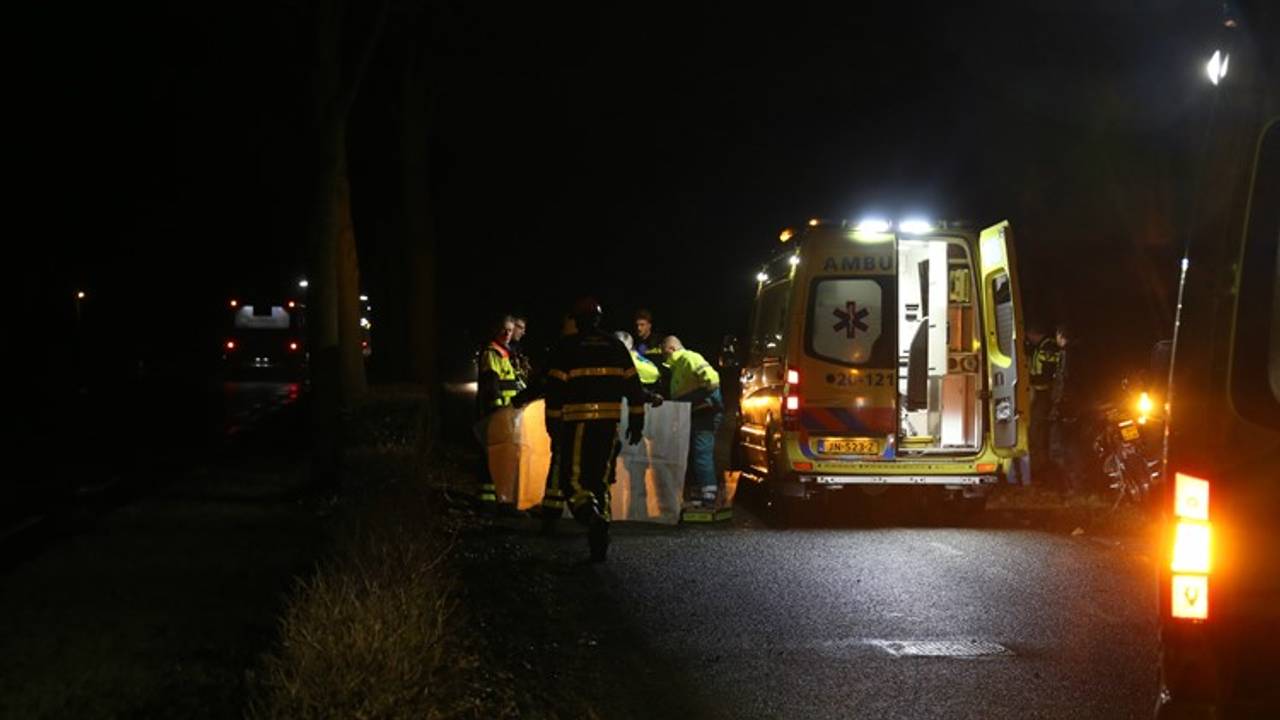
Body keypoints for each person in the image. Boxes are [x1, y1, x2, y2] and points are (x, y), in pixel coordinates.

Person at [544, 298, 650, 561]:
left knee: (573, 480)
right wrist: (637, 422)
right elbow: (634, 388)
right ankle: (600, 534)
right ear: (598, 319)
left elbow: (554, 390)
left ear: (577, 320)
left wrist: (553, 425)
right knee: (599, 481)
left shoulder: (568, 347)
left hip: (577, 424)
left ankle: (591, 518)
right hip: (608, 426)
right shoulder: (616, 346)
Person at [661, 335, 724, 509]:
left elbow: (712, 380)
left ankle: (709, 494)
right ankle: (700, 492)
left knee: (701, 451)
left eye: (664, 351)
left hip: (704, 413)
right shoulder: (678, 366)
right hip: (695, 412)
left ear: (672, 349)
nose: (663, 356)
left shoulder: (688, 358)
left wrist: (705, 400)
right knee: (694, 452)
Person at [475, 315, 524, 510]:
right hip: (497, 412)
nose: (506, 333)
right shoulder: (492, 353)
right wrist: (497, 408)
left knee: (501, 455)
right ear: (496, 330)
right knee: (493, 455)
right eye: (504, 329)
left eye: (510, 330)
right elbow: (491, 384)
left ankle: (496, 497)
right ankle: (490, 500)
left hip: (507, 412)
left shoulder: (506, 353)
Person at [1029, 324, 1069, 490]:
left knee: (1040, 433)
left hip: (1045, 395)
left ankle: (1046, 474)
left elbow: (1049, 375)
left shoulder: (1049, 348)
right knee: (1040, 433)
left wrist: (1031, 381)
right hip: (1045, 395)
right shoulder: (1041, 347)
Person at [509, 315, 532, 386]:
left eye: (524, 329)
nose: (523, 333)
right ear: (511, 325)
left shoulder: (518, 348)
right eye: (520, 328)